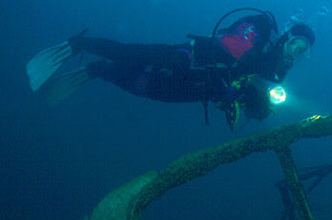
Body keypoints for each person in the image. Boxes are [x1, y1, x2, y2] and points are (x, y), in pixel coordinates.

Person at [26, 8, 315, 130]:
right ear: (289, 36)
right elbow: (231, 43)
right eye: (297, 43)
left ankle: (98, 70)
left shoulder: (277, 72)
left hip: (204, 87)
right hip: (190, 58)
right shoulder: (262, 26)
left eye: (303, 51)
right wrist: (244, 79)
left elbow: (247, 88)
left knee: (151, 89)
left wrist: (249, 101)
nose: (297, 52)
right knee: (133, 54)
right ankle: (78, 45)